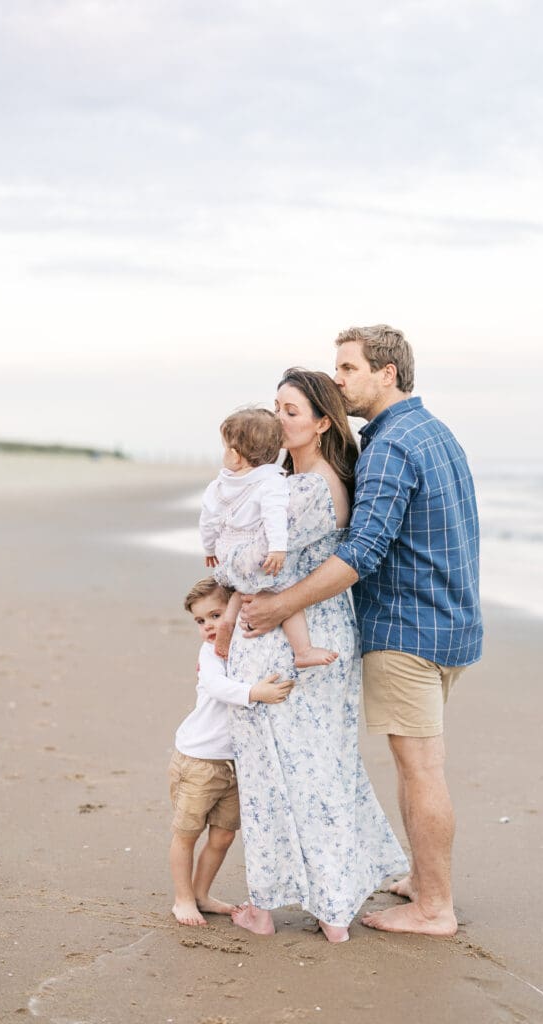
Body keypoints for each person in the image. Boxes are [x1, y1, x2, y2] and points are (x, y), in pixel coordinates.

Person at [241, 326, 483, 937]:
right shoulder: (433, 432)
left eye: (348, 369)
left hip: (408, 628)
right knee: (415, 765)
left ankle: (435, 907)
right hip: (450, 622)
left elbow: (362, 553)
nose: (340, 380)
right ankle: (423, 881)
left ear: (388, 374)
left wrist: (278, 606)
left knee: (421, 767)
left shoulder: (390, 446)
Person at [214, 368, 409, 943]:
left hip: (290, 640)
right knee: (318, 767)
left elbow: (244, 564)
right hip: (311, 633)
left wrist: (225, 558)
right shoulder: (298, 481)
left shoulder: (306, 489)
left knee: (284, 773)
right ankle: (328, 898)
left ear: (324, 422)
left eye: (291, 410)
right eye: (275, 407)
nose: (277, 419)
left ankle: (306, 906)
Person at [169, 577, 295, 926]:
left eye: (215, 615)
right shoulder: (210, 653)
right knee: (187, 832)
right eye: (200, 621)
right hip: (199, 759)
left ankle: (201, 894)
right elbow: (216, 686)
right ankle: (183, 899)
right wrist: (255, 693)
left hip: (237, 763)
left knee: (223, 835)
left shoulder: (246, 647)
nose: (208, 626)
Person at [199, 407, 337, 668]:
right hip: (255, 550)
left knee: (243, 589)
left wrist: (209, 548)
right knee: (285, 592)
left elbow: (207, 520)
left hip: (227, 550)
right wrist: (277, 548)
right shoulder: (272, 482)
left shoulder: (218, 485)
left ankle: (227, 622)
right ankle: (303, 650)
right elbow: (274, 516)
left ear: (235, 455)